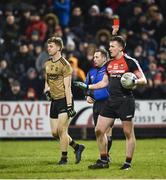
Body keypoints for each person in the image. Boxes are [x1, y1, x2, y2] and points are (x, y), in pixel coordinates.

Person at [74, 36, 147, 170]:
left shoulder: (130, 62)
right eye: (109, 46)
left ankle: (127, 163)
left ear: (120, 48)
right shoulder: (109, 64)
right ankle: (103, 160)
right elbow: (104, 83)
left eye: (112, 46)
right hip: (111, 101)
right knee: (99, 130)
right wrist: (87, 87)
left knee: (128, 133)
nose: (110, 49)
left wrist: (134, 81)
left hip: (125, 101)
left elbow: (143, 80)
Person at [44, 36, 85, 165]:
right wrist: (47, 91)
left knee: (62, 130)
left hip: (64, 100)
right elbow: (47, 81)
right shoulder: (47, 63)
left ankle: (64, 158)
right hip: (54, 101)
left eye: (51, 46)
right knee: (54, 133)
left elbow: (68, 87)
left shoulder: (65, 65)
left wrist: (69, 106)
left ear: (58, 48)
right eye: (48, 46)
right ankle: (77, 147)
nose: (48, 48)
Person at [85, 48, 113, 161]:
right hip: (96, 104)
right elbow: (86, 86)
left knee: (107, 131)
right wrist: (87, 96)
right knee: (98, 131)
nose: (94, 59)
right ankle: (105, 156)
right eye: (94, 57)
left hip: (108, 103)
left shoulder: (110, 69)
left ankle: (105, 156)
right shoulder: (91, 71)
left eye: (97, 57)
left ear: (104, 58)